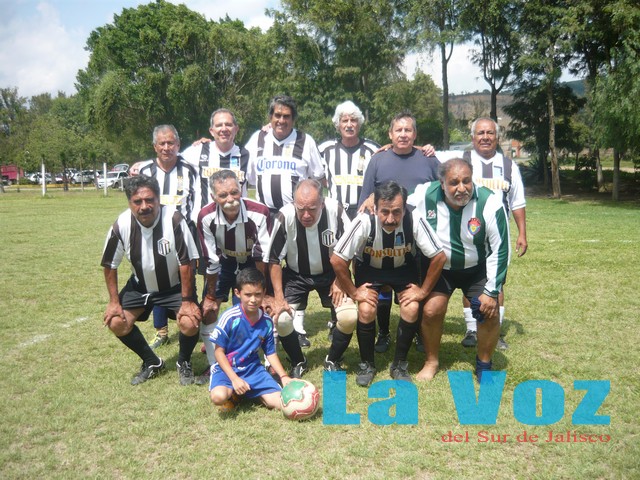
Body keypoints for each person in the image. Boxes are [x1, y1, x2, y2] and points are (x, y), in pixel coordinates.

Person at [329, 181, 446, 386]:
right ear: (375, 208)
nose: (391, 219)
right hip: (371, 269)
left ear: (404, 208)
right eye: (384, 212)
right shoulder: (364, 220)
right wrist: (354, 293)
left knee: (412, 307)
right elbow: (337, 259)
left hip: (403, 269)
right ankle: (367, 365)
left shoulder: (414, 217)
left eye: (396, 212)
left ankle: (399, 364)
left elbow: (439, 256)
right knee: (366, 310)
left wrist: (423, 291)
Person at [408, 158, 510, 381]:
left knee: (489, 312)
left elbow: (501, 249)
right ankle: (431, 361)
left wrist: (491, 291)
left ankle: (484, 365)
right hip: (440, 269)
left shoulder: (490, 202)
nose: (462, 188)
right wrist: (373, 199)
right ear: (442, 183)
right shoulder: (425, 194)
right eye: (454, 182)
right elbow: (399, 201)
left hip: (477, 268)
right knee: (431, 311)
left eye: (466, 181)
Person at [101, 175, 202, 385]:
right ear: (129, 202)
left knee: (190, 321)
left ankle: (183, 362)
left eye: (150, 200)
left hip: (173, 287)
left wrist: (187, 301)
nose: (144, 206)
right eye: (137, 201)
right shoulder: (121, 225)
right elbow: (110, 265)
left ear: (158, 199)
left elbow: (186, 263)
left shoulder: (174, 220)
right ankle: (152, 362)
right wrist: (113, 302)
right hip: (140, 288)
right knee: (116, 322)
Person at [437, 117, 527, 350]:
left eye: (490, 133)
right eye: (480, 133)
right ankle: (471, 329)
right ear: (472, 137)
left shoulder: (509, 166)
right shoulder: (461, 159)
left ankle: (495, 329)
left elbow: (517, 202)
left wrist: (522, 233)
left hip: (496, 232)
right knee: (470, 275)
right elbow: (429, 155)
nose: (485, 137)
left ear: (497, 137)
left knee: (496, 281)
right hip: (468, 230)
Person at [358, 111, 441, 353]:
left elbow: (446, 185)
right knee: (383, 283)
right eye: (399, 130)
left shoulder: (428, 159)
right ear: (390, 134)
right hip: (386, 231)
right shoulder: (378, 160)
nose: (403, 134)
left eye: (408, 130)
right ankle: (383, 332)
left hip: (419, 233)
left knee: (416, 284)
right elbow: (365, 197)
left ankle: (417, 332)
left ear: (415, 134)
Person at [266, 179, 352, 378]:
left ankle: (333, 359)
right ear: (294, 203)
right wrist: (278, 297)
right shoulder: (284, 216)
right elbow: (274, 259)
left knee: (348, 317)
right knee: (282, 319)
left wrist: (340, 280)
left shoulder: (336, 211)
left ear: (322, 202)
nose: (306, 215)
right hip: (296, 275)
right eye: (300, 208)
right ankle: (298, 361)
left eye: (312, 209)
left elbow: (350, 250)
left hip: (331, 275)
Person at [196, 169, 272, 385]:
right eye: (223, 195)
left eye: (234, 192)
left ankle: (263, 364)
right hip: (224, 262)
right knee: (209, 311)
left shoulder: (260, 212)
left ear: (241, 190)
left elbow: (262, 256)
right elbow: (211, 259)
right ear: (214, 197)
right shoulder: (205, 216)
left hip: (251, 262)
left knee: (255, 308)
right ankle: (215, 365)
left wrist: (263, 291)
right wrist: (211, 296)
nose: (230, 199)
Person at [138, 125, 200, 350]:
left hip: (184, 234)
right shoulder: (145, 170)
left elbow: (197, 202)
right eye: (162, 143)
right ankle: (161, 330)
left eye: (171, 143)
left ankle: (192, 319)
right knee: (156, 279)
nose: (167, 147)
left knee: (187, 277)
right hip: (153, 234)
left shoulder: (190, 170)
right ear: (155, 146)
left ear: (178, 145)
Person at [209, 268, 292, 412]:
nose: (253, 300)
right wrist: (234, 379)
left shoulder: (266, 322)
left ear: (264, 293)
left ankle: (251, 393)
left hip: (253, 370)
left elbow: (270, 353)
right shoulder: (230, 318)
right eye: (248, 295)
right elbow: (218, 352)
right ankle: (235, 392)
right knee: (218, 397)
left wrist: (284, 376)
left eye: (257, 294)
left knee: (281, 403)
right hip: (227, 369)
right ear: (237, 293)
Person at [245, 94, 325, 215]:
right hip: (265, 215)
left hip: (296, 214)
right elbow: (249, 177)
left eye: (286, 116)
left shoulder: (306, 141)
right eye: (277, 115)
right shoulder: (257, 138)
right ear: (270, 117)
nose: (281, 121)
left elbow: (318, 177)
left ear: (293, 119)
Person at [182, 108, 250, 212]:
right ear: (211, 131)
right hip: (204, 219)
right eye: (219, 125)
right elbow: (171, 157)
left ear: (236, 129)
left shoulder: (247, 155)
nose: (224, 129)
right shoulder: (197, 151)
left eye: (228, 124)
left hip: (237, 219)